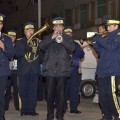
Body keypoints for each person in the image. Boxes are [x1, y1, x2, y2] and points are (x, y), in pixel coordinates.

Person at [39, 17, 75, 120]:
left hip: (62, 71)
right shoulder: (47, 37)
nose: (58, 28)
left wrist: (62, 40)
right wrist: (52, 38)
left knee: (61, 96)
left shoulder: (68, 38)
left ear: (63, 27)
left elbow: (72, 48)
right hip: (50, 71)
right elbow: (41, 46)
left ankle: (59, 115)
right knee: (49, 96)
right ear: (53, 28)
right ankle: (49, 115)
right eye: (56, 26)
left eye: (60, 26)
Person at [92, 19, 120, 120]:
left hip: (112, 70)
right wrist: (95, 44)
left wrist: (99, 39)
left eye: (109, 26)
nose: (107, 28)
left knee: (111, 94)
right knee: (102, 95)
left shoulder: (118, 36)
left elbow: (111, 47)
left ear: (116, 26)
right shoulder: (107, 37)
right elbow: (101, 52)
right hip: (103, 70)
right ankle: (107, 115)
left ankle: (117, 115)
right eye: (107, 26)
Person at [15, 22, 40, 116]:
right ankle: (24, 110)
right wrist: (27, 46)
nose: (30, 32)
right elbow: (17, 54)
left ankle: (32, 110)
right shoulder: (19, 41)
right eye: (28, 30)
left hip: (34, 70)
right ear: (25, 31)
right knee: (23, 90)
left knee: (33, 91)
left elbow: (40, 57)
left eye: (32, 30)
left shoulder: (37, 41)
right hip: (23, 70)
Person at [64, 27, 85, 114]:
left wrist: (76, 49)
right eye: (67, 34)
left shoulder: (75, 44)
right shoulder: (60, 43)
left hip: (74, 70)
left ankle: (74, 108)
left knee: (74, 89)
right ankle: (63, 107)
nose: (69, 35)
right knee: (63, 90)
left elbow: (81, 54)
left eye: (70, 34)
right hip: (64, 70)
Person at [0, 14, 16, 120]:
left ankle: (1, 116)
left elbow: (12, 54)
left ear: (1, 25)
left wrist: (3, 47)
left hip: (2, 71)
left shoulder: (6, 38)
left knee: (1, 96)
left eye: (0, 24)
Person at [5, 30, 19, 111]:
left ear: (15, 38)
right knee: (7, 90)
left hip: (16, 71)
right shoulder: (5, 46)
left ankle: (17, 106)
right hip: (8, 71)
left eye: (13, 36)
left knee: (17, 90)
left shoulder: (18, 46)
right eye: (9, 36)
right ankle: (5, 106)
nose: (11, 38)